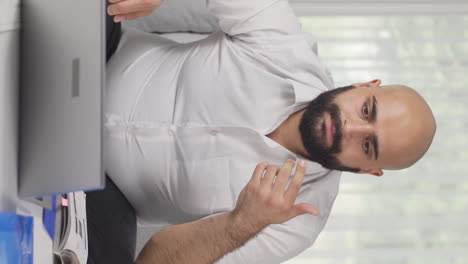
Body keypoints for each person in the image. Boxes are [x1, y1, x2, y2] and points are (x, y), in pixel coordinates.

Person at [94, 0, 437, 263]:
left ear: (367, 170)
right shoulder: (285, 45)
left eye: (367, 145)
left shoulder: (296, 223)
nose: (350, 127)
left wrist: (239, 224)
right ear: (365, 85)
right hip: (99, 56)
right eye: (367, 110)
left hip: (103, 191)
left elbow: (154, 260)